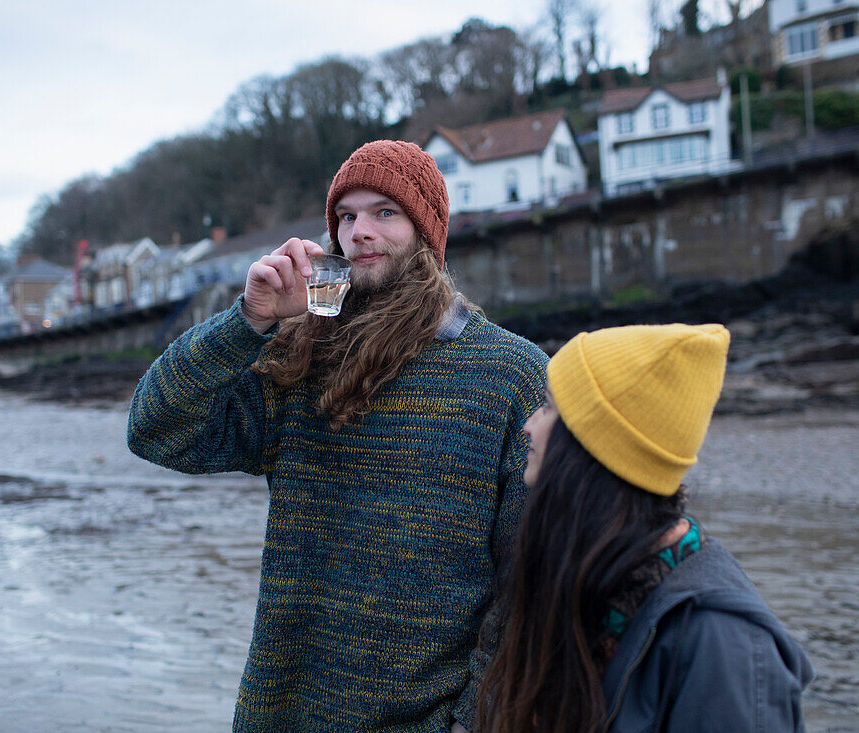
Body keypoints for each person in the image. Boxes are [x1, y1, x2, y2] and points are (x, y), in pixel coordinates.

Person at [126, 140, 548, 732]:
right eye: (346, 217)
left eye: (385, 212)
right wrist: (249, 320)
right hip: (284, 717)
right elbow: (155, 430)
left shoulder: (508, 374)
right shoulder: (303, 362)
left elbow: (531, 581)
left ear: (427, 231)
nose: (359, 233)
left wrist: (471, 721)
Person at [476, 324, 814, 733]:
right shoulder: (589, 580)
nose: (529, 425)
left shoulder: (724, 645)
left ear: (593, 445)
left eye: (547, 407)